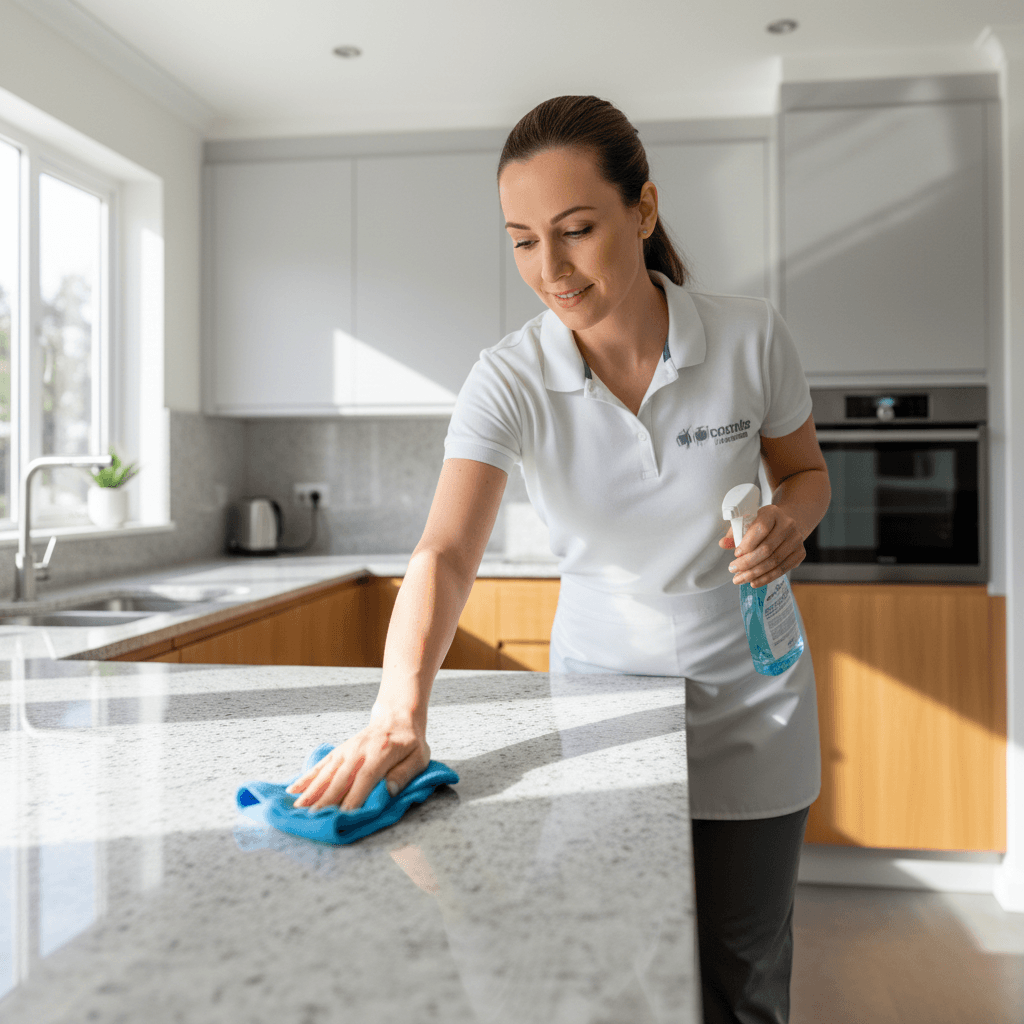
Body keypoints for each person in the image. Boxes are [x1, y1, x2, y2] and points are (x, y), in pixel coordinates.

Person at [288, 95, 831, 1024]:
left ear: (643, 212)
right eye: (523, 241)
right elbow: (445, 552)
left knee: (745, 974)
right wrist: (396, 712)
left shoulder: (749, 336)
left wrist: (791, 519)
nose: (552, 269)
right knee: (616, 960)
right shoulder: (508, 377)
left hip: (754, 690)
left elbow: (807, 473)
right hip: (605, 695)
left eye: (576, 230)